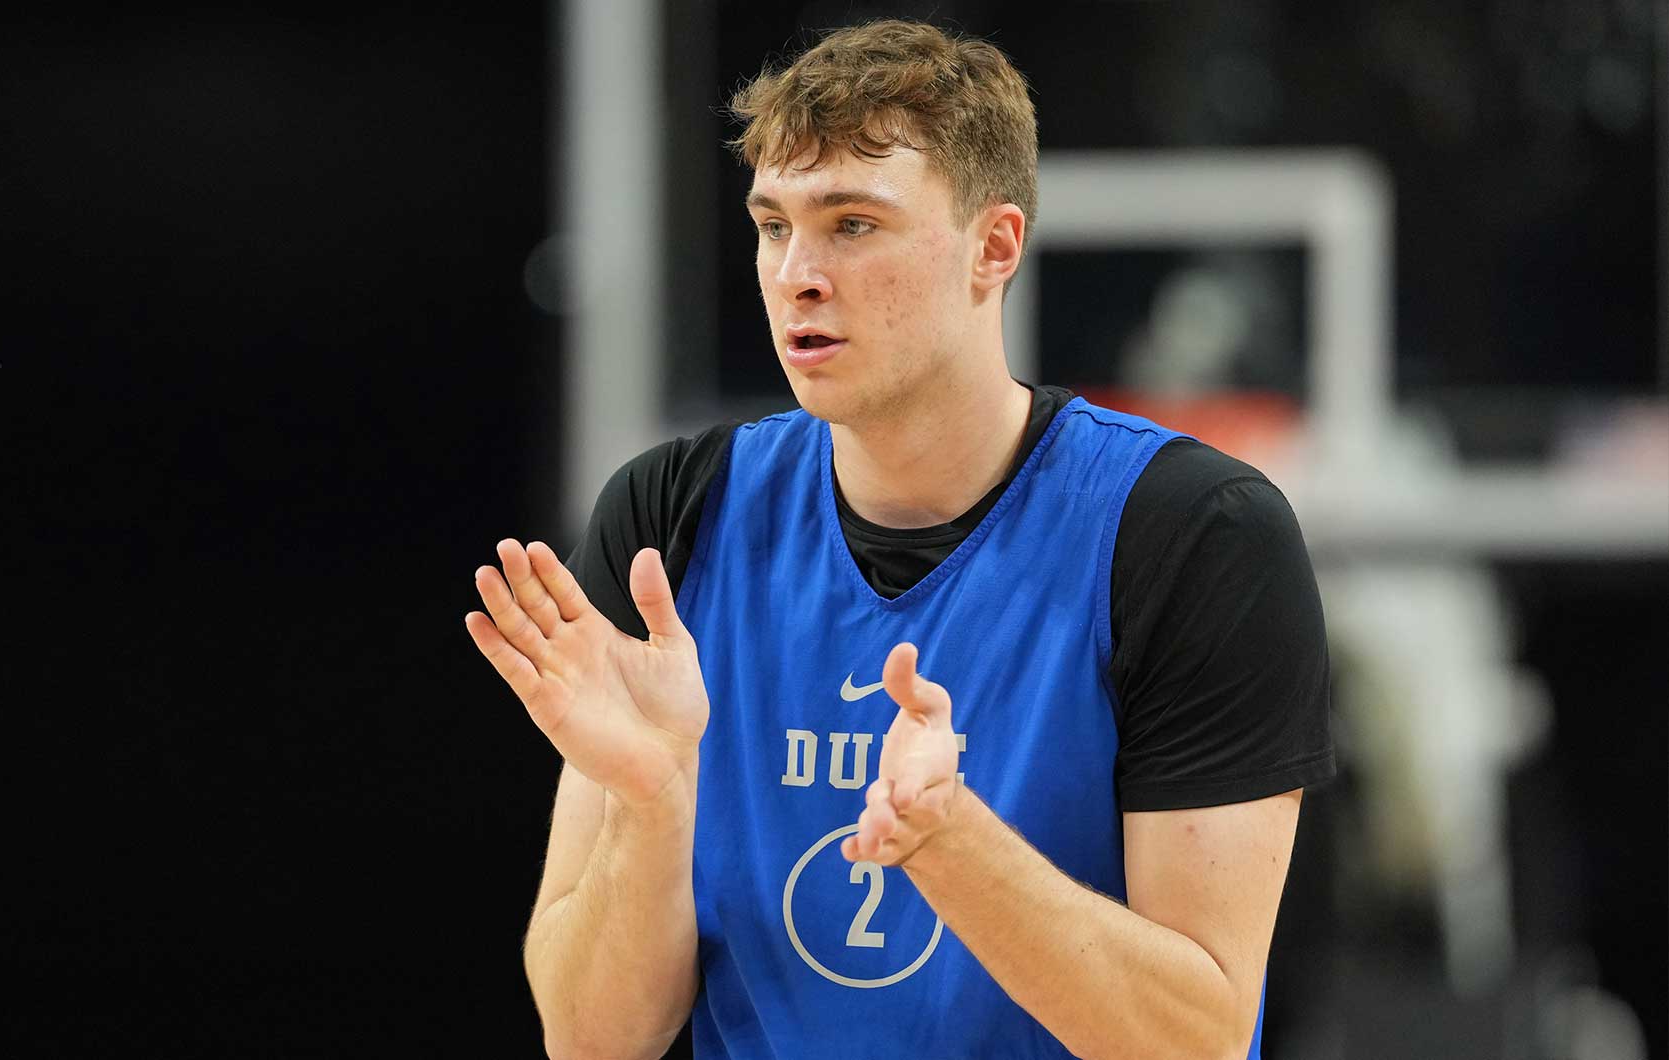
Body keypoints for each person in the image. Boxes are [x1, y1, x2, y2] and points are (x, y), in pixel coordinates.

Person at [464, 18, 1334, 1060]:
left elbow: (1198, 1040)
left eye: (853, 225)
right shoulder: (671, 521)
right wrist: (655, 803)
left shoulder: (1193, 534)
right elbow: (590, 1038)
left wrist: (951, 843)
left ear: (994, 246)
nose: (797, 274)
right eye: (773, 224)